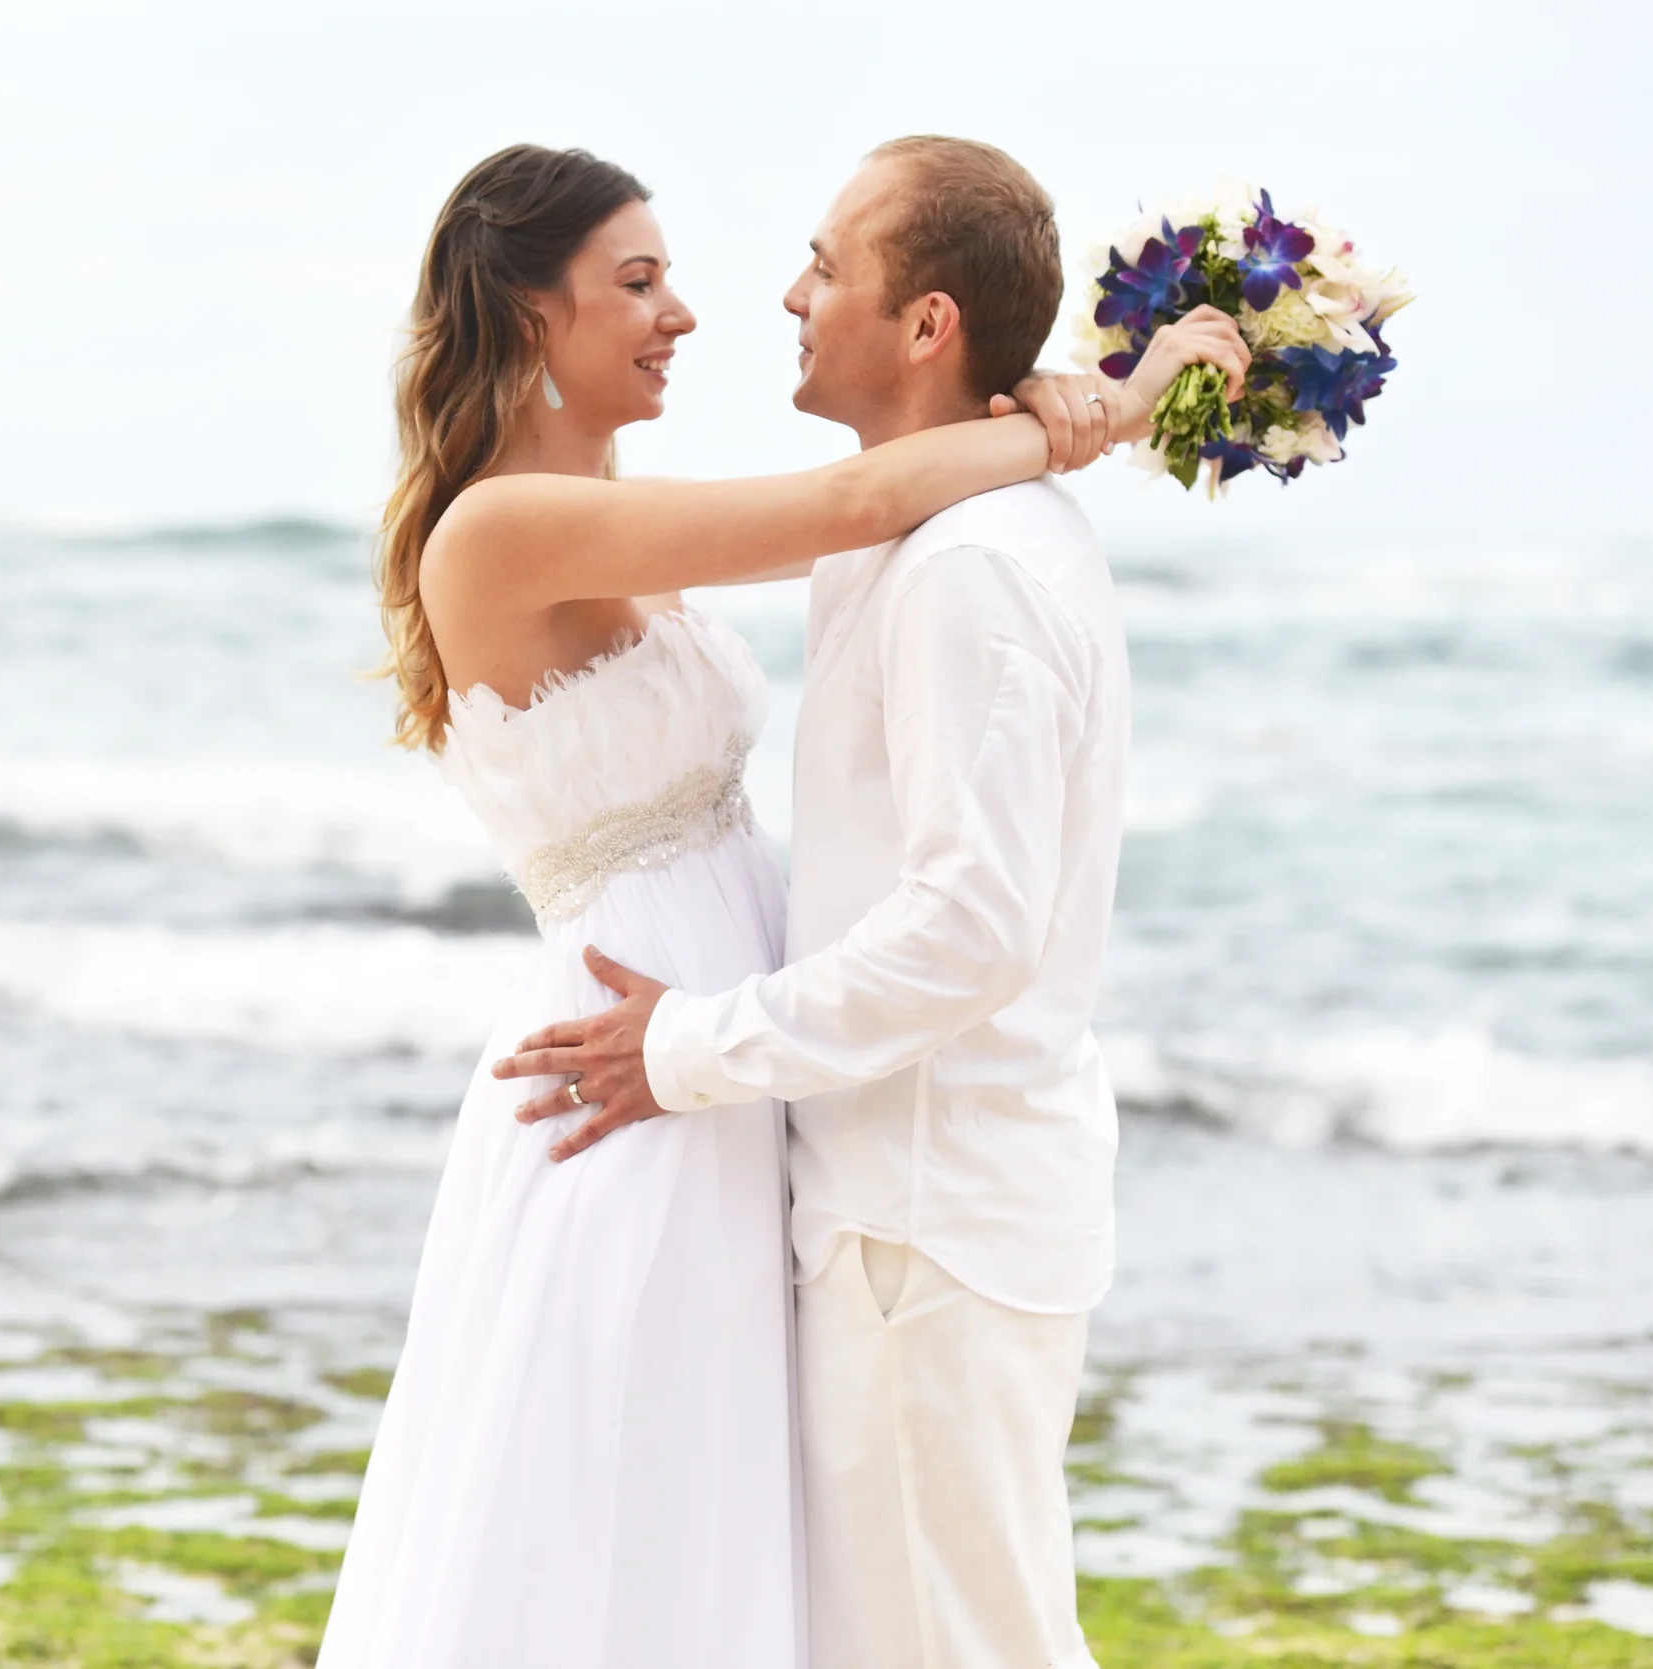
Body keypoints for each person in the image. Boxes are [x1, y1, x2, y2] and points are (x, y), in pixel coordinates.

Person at [321, 141, 1243, 1669]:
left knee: (747, 1549)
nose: (688, 312)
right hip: (643, 1068)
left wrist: (1035, 403)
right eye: (637, 282)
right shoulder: (498, 528)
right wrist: (1100, 409)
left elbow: (882, 494)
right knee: (618, 1532)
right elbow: (868, 491)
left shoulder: (619, 502)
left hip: (740, 1066)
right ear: (527, 311)